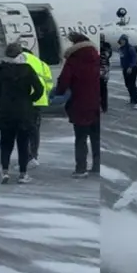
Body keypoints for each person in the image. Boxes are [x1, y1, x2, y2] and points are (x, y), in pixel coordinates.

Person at [52, 32, 101, 177]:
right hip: (96, 102)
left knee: (81, 137)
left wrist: (59, 92)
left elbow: (64, 80)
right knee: (96, 136)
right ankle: (97, 166)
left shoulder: (74, 59)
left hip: (80, 103)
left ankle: (81, 168)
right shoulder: (97, 57)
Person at [0, 43, 43, 183]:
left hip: (5, 111)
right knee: (23, 143)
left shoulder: (1, 69)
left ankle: (4, 172)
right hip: (23, 111)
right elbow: (39, 89)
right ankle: (23, 174)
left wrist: (5, 99)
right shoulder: (27, 69)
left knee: (5, 143)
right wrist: (29, 100)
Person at [21, 47, 53, 169]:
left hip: (25, 100)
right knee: (34, 130)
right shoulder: (42, 64)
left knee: (23, 130)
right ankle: (34, 156)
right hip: (40, 100)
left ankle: (26, 157)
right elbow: (49, 83)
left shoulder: (22, 61)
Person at [118, 34, 137, 109]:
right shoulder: (121, 48)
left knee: (132, 84)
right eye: (121, 40)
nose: (122, 41)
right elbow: (122, 58)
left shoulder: (130, 48)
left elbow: (135, 57)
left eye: (124, 40)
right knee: (127, 84)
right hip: (125, 68)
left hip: (132, 68)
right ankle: (132, 99)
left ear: (126, 41)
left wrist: (131, 66)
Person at [99, 34, 112, 113]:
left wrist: (102, 49)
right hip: (97, 68)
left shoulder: (106, 46)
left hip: (104, 69)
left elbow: (107, 55)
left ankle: (104, 106)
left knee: (103, 88)